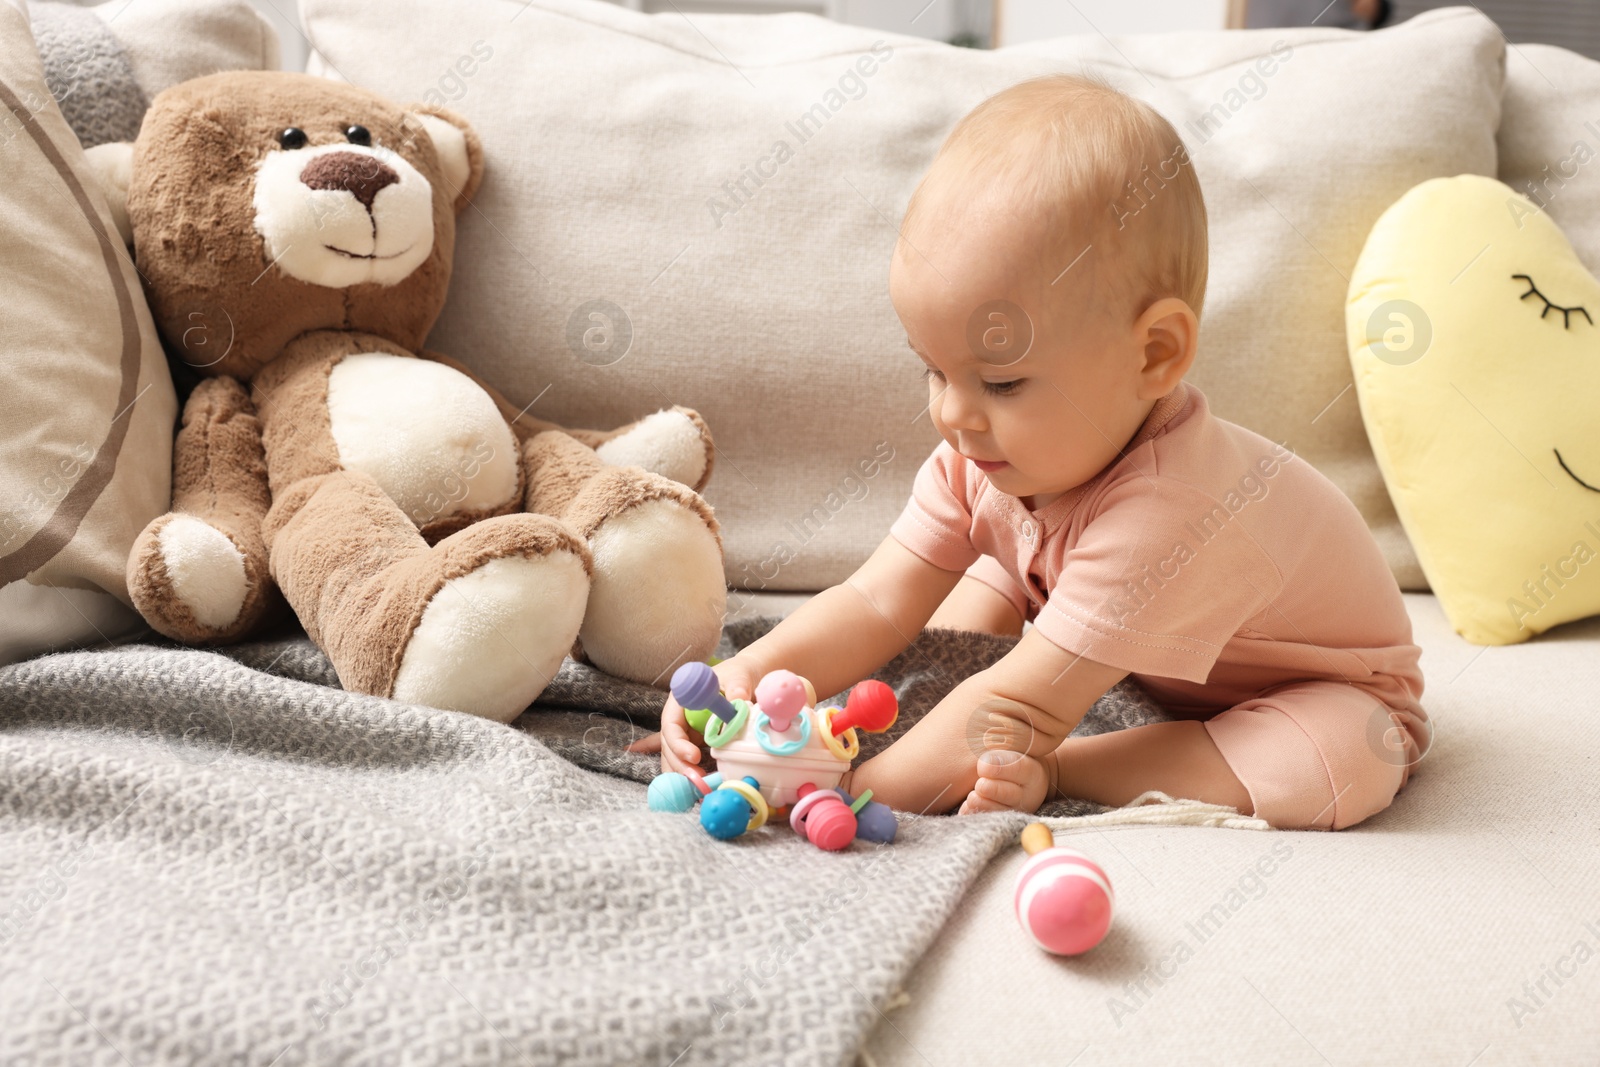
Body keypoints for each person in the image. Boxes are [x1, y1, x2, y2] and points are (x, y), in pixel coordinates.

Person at [629, 74, 1427, 830]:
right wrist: (740, 690)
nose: (952, 415)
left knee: (1337, 761)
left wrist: (834, 790)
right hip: (1137, 647)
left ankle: (1073, 771)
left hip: (1317, 688)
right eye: (933, 369)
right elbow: (875, 603)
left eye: (1003, 383)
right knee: (977, 591)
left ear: (1154, 354)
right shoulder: (983, 457)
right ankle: (1036, 665)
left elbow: (1015, 708)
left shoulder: (1171, 508)